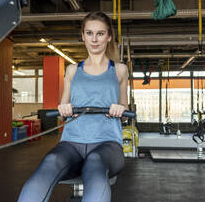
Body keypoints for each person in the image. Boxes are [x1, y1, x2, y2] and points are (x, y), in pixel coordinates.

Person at [17, 12, 129, 202]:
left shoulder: (119, 70)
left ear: (109, 37)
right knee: (51, 161)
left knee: (95, 163)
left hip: (107, 144)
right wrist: (64, 110)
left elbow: (125, 111)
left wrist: (120, 110)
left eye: (100, 34)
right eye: (89, 33)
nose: (94, 39)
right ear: (83, 35)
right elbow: (63, 109)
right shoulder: (72, 70)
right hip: (71, 143)